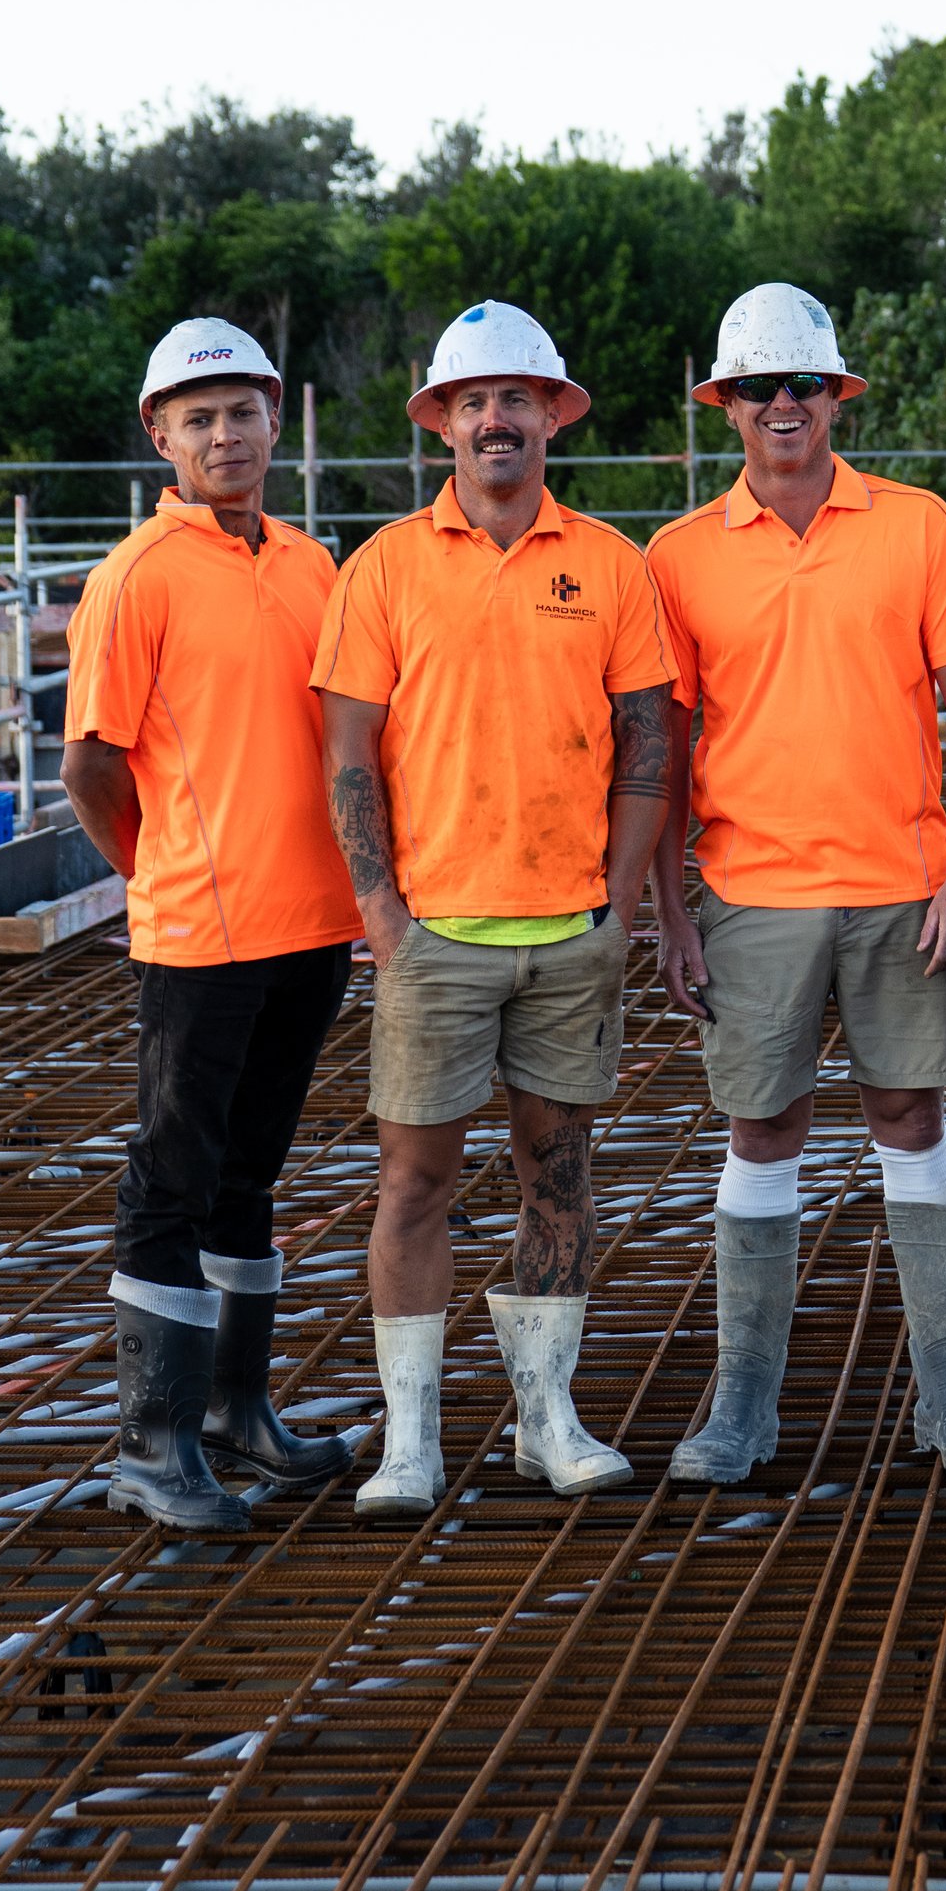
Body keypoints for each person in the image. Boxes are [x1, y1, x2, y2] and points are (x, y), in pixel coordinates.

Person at [312, 300, 674, 1520]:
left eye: (518, 398)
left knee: (557, 1174)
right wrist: (383, 911)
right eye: (473, 401)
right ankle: (409, 1440)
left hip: (567, 933)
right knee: (413, 1181)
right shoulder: (384, 567)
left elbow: (646, 746)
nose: (496, 418)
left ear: (552, 416)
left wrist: (614, 906)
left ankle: (543, 1418)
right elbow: (350, 750)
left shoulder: (611, 565)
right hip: (438, 935)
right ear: (442, 426)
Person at [648, 285, 946, 1484]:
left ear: (837, 396)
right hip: (749, 892)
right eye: (760, 387)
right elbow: (663, 744)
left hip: (905, 882)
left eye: (804, 384)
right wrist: (668, 911)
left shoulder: (917, 528)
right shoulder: (679, 557)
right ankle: (743, 1412)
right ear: (727, 408)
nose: (784, 406)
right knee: (763, 1129)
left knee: (912, 1119)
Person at [62, 317, 362, 1533]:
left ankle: (240, 1411)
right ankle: (153, 1442)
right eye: (199, 418)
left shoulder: (309, 565)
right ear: (160, 434)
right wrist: (160, 870)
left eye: (243, 411)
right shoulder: (137, 575)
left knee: (251, 1176)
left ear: (276, 416)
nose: (224, 435)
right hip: (201, 934)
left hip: (312, 924)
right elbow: (92, 764)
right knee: (171, 1181)